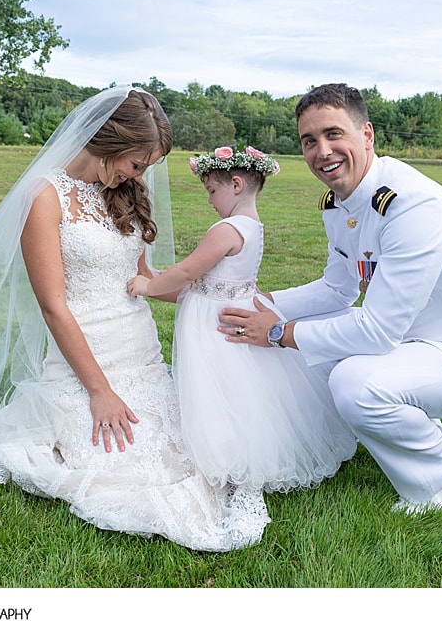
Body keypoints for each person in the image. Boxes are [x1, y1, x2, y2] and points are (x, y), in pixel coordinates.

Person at [0, 86, 269, 551]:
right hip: (86, 357)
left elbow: (145, 279)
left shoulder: (123, 192)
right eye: (137, 163)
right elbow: (53, 305)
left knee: (193, 453)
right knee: (121, 467)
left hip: (141, 351)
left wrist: (227, 295)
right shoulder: (45, 196)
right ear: (109, 142)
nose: (141, 174)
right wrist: (100, 391)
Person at [219, 83, 442, 514]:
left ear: (367, 135)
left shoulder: (414, 207)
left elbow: (378, 331)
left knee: (352, 382)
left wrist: (276, 331)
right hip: (416, 344)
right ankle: (389, 421)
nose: (322, 151)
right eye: (309, 141)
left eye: (334, 134)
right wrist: (263, 302)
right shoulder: (338, 203)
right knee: (302, 355)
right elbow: (336, 290)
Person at [126, 146, 356, 493]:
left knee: (216, 389)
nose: (209, 200)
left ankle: (224, 455)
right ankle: (236, 449)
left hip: (214, 325)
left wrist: (148, 284)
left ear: (235, 184)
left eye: (211, 191)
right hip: (229, 312)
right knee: (236, 391)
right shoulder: (254, 227)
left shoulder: (226, 229)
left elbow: (189, 270)